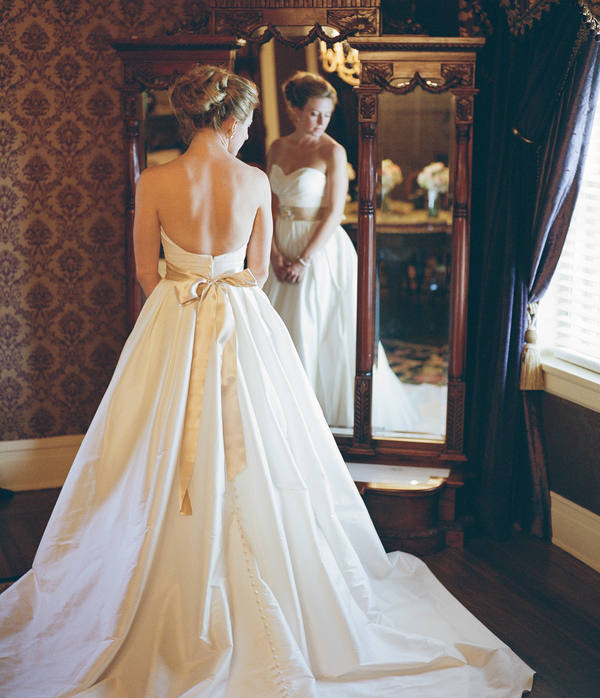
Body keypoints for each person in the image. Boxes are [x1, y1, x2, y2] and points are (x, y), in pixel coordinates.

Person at [0, 65, 534, 697]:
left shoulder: (155, 179)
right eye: (248, 120)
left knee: (158, 440)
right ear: (227, 118)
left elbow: (147, 270)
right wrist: (223, 294)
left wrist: (182, 314)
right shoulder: (253, 180)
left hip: (173, 317)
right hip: (243, 319)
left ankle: (162, 565)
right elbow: (255, 271)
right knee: (262, 436)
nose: (250, 131)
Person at [263, 72, 421, 433]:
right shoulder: (276, 147)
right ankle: (282, 414)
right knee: (279, 328)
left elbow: (335, 211)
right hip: (279, 243)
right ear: (295, 109)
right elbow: (268, 206)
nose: (320, 122)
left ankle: (319, 415)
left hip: (319, 249)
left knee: (316, 326)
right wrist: (273, 253)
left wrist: (304, 259)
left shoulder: (333, 151)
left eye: (327, 115)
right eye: (314, 113)